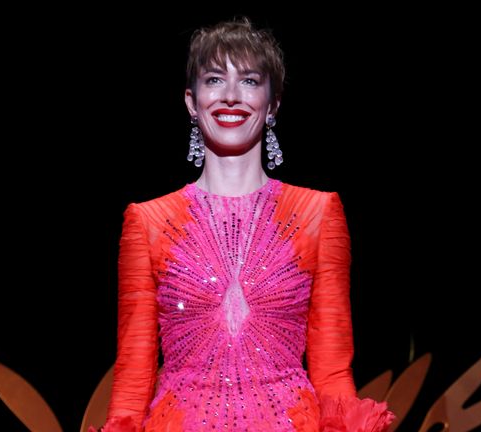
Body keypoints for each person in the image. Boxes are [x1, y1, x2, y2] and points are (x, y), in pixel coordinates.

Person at [92, 18, 395, 432]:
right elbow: (132, 377)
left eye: (250, 81)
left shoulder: (318, 213)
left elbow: (332, 372)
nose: (231, 96)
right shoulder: (146, 222)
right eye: (214, 79)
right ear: (190, 100)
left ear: (273, 104)